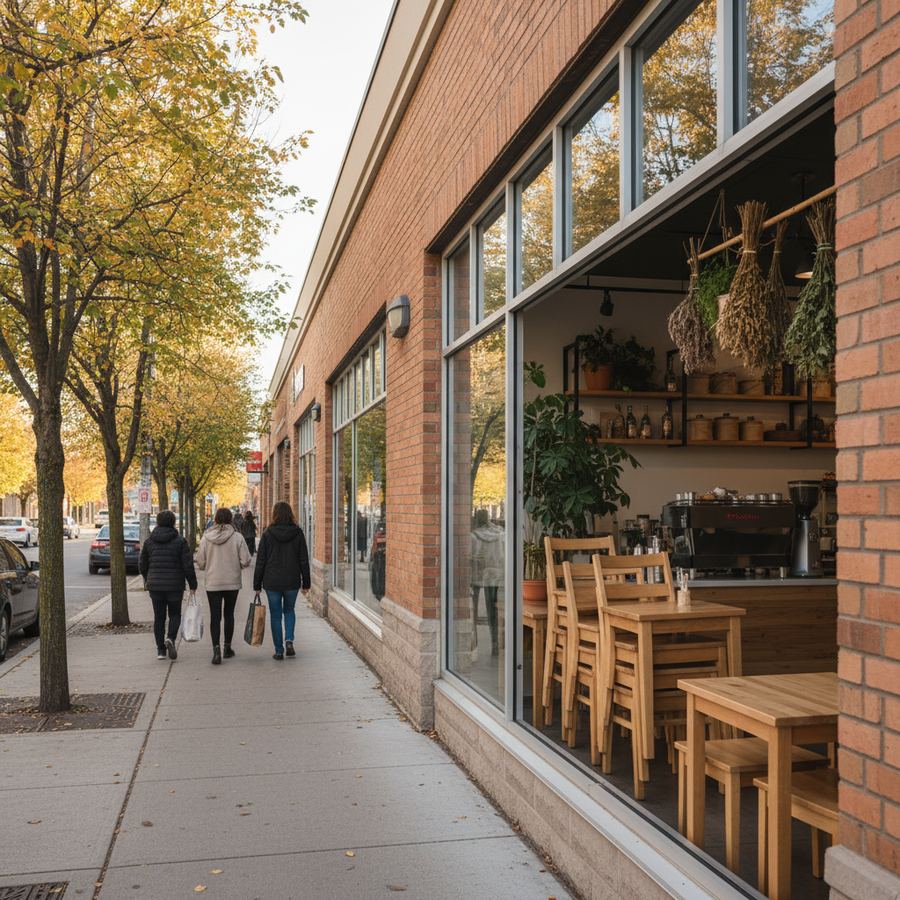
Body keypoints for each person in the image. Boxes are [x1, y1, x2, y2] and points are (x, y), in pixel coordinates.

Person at [253, 501, 310, 661]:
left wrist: (257, 584)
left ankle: (279, 650)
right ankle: (289, 640)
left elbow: (261, 561)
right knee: (289, 611)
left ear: (274, 514)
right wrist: (306, 583)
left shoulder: (267, 533)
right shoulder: (298, 533)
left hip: (272, 582)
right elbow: (303, 560)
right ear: (290, 514)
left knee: (276, 615)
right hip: (292, 580)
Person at [195, 507, 252, 665]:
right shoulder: (237, 537)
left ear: (215, 519)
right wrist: (237, 565)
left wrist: (208, 565)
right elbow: (246, 560)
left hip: (213, 582)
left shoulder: (206, 537)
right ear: (230, 520)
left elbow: (200, 562)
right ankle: (227, 648)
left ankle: (216, 651)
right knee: (229, 614)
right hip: (232, 581)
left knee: (215, 616)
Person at [139, 509, 197, 661]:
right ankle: (170, 638)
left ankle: (160, 650)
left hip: (155, 586)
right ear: (173, 522)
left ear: (158, 522)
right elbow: (187, 565)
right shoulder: (180, 541)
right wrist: (193, 584)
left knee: (159, 617)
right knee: (175, 614)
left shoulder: (149, 542)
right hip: (175, 585)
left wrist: (147, 579)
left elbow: (142, 564)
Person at [470, 509, 504, 656]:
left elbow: (470, 557)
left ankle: (474, 648)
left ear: (476, 519)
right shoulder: (501, 535)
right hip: (495, 576)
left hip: (476, 577)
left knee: (473, 614)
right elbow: (503, 558)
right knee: (494, 612)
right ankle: (495, 645)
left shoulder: (473, 537)